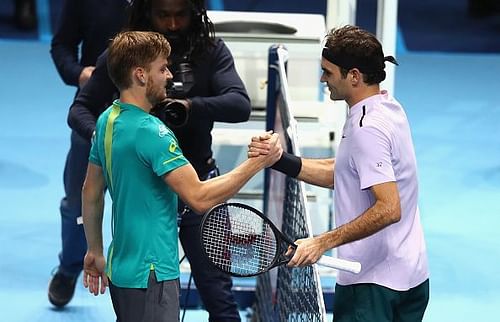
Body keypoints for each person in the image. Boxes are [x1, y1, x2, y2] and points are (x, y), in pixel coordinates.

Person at [67, 0, 251, 320]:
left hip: (127, 264)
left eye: (180, 14)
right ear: (140, 74)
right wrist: (258, 161)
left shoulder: (110, 119)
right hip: (153, 269)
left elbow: (91, 191)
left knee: (218, 295)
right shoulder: (153, 132)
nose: (173, 23)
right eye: (163, 70)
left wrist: (191, 106)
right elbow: (199, 196)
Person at [249, 25, 429, 322]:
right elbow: (346, 172)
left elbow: (389, 208)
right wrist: (280, 160)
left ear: (354, 76)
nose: (323, 79)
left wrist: (322, 241)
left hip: (372, 285)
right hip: (411, 275)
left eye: (328, 73)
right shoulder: (387, 108)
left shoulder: (365, 129)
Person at [48, 0, 130, 308]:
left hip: (148, 120)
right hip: (91, 115)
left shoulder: (161, 7)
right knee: (77, 202)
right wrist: (80, 74)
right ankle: (70, 267)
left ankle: (139, 279)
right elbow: (62, 46)